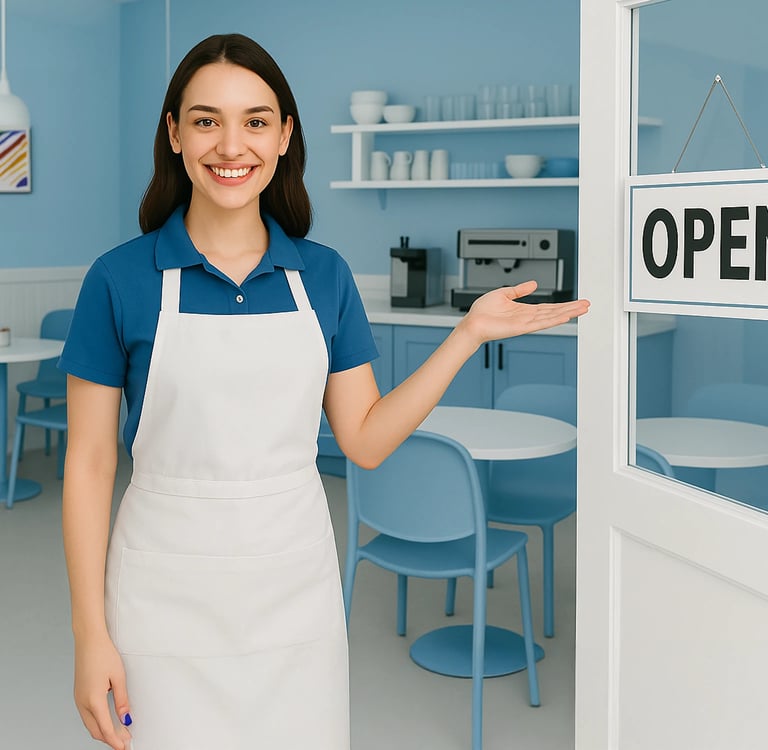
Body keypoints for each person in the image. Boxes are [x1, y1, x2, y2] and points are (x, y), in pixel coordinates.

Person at [59, 33, 589, 750]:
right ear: (175, 134)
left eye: (254, 120)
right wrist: (91, 636)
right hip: (162, 597)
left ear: (284, 136)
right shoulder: (119, 280)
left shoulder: (325, 277)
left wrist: (465, 335)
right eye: (206, 119)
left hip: (294, 595)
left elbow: (365, 440)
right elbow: (88, 466)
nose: (230, 144)